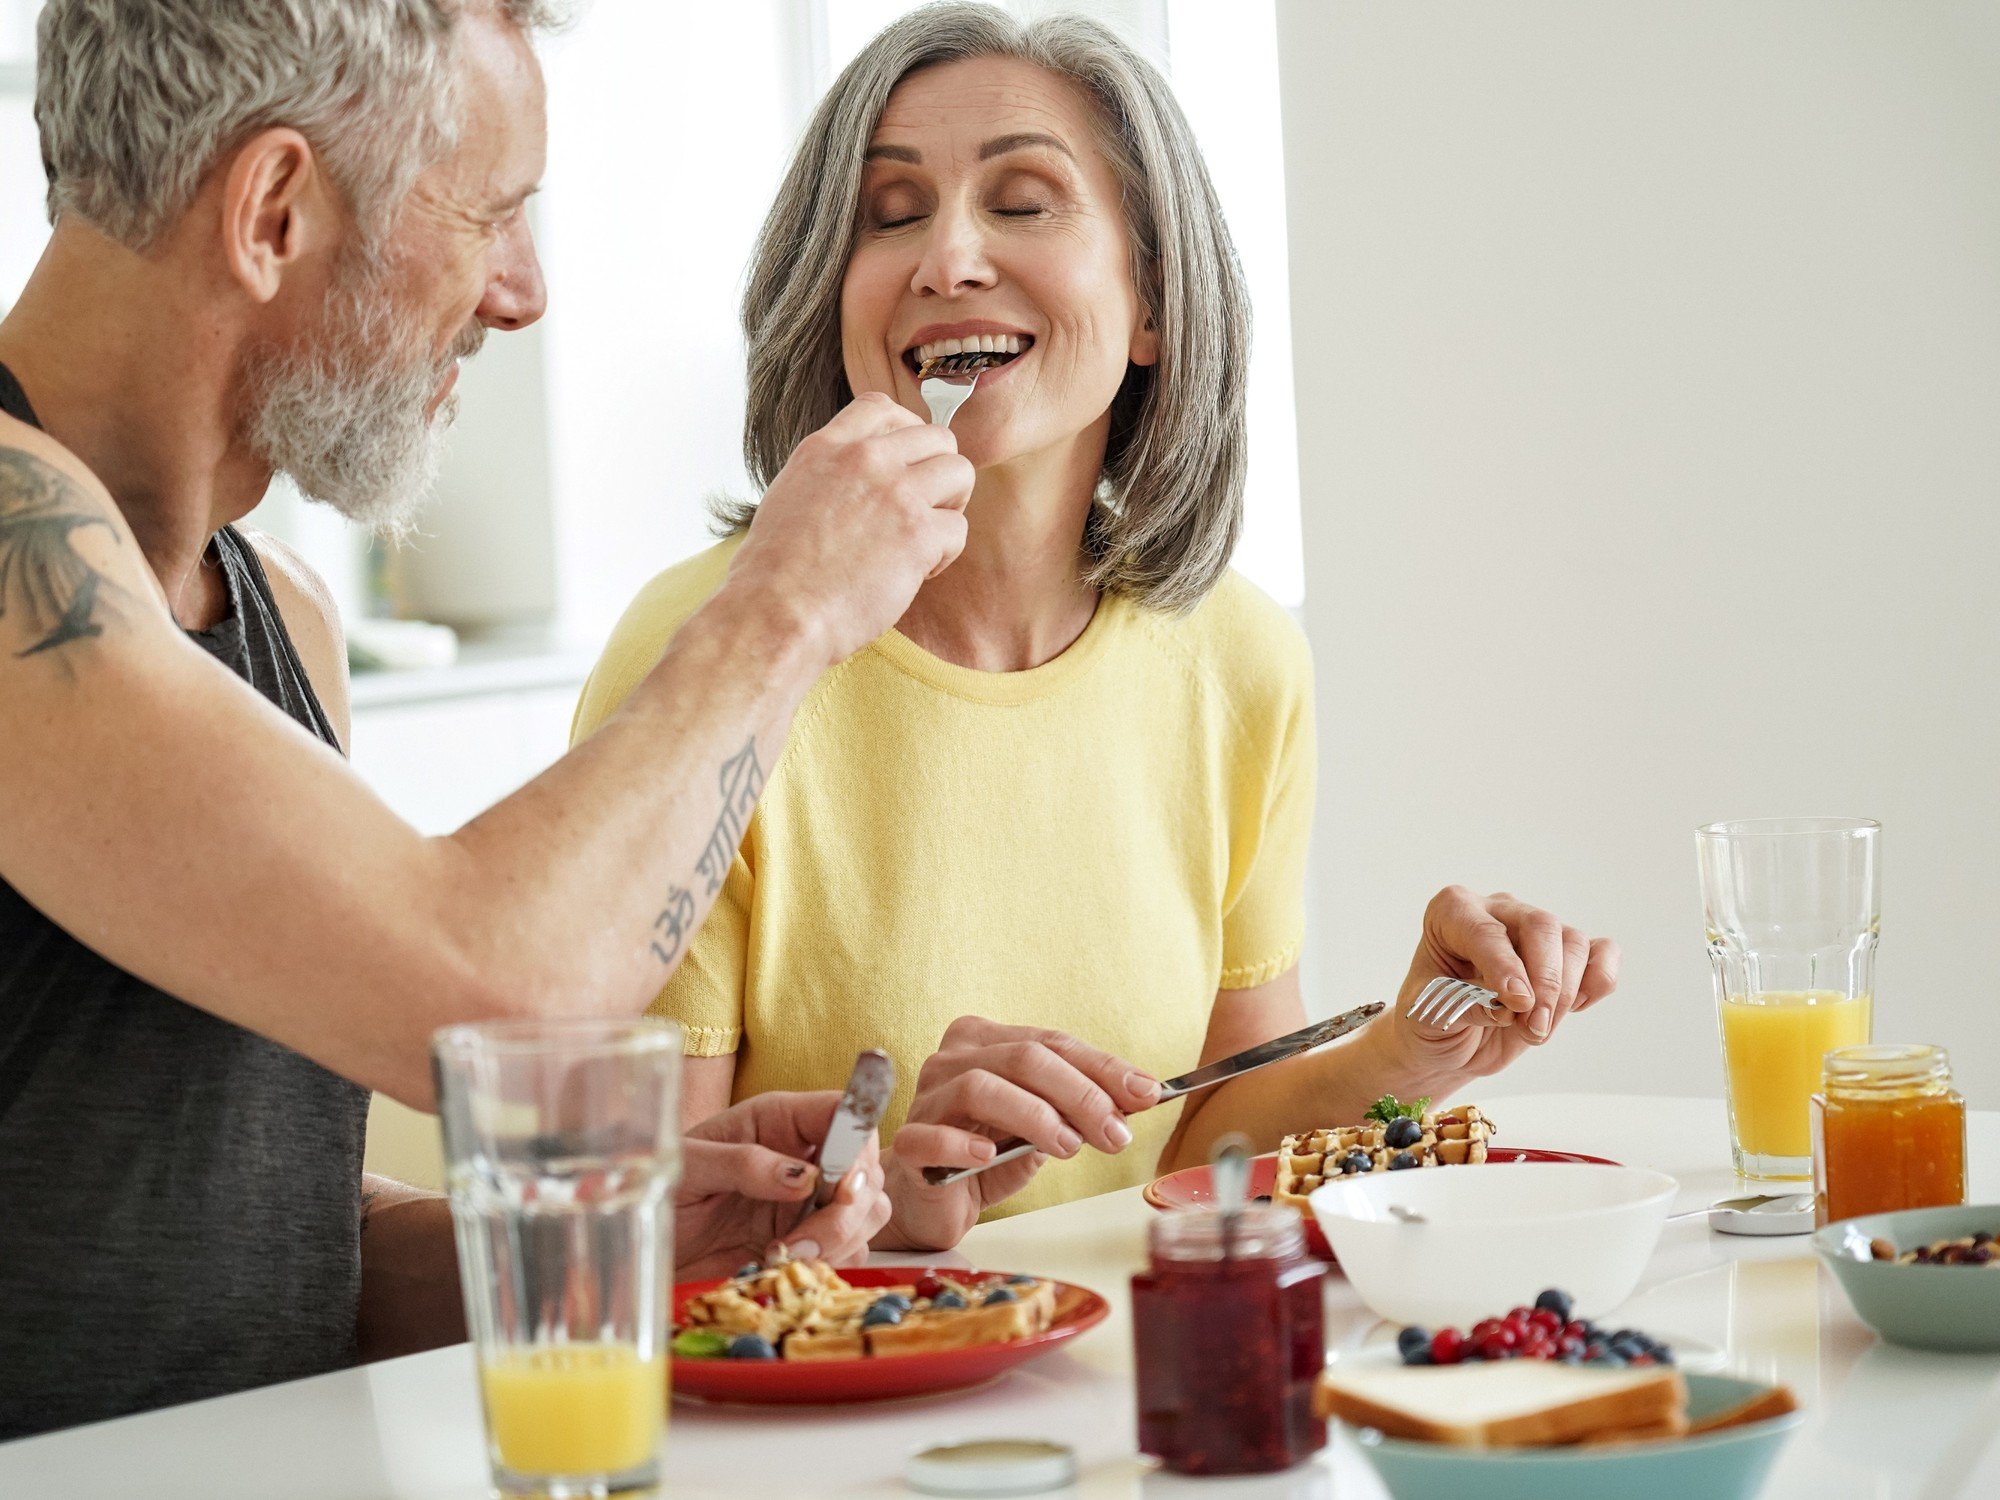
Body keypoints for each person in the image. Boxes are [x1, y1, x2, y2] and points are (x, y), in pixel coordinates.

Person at [0, 0, 963, 1441]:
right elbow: (494, 1016)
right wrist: (785, 605)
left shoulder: (277, 616)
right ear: (272, 213)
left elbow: (272, 1245)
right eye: (491, 213)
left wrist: (616, 1236)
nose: (524, 292)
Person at [572, 4, 1622, 1253]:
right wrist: (890, 1199)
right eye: (889, 213)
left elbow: (1201, 1147)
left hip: (1135, 1357)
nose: (945, 257)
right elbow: (633, 1246)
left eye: (1021, 203)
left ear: (1152, 308)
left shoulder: (1235, 661)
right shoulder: (711, 648)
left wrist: (1406, 1048)